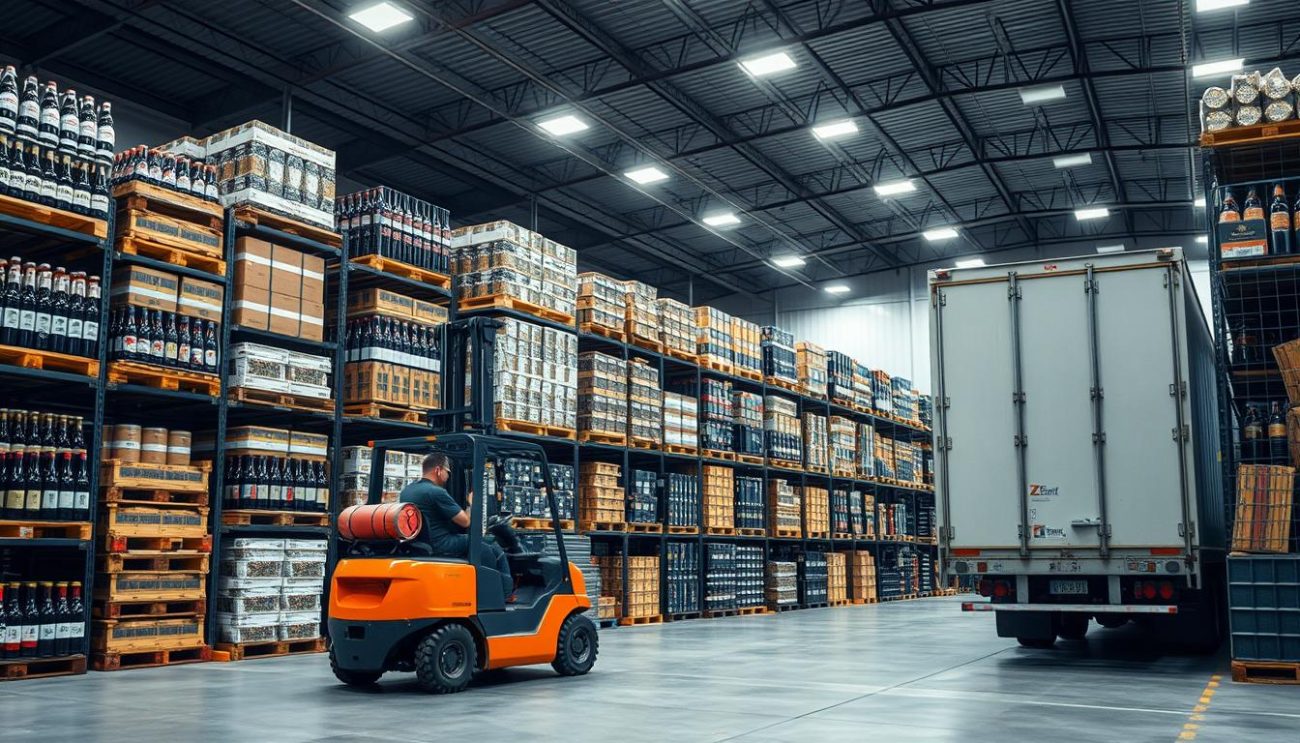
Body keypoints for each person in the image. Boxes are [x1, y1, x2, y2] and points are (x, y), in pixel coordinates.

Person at [399, 452, 514, 601]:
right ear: (438, 470)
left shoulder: (408, 490)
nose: (448, 476)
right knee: (492, 546)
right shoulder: (436, 492)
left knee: (483, 542)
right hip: (442, 543)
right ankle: (503, 595)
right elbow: (466, 522)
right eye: (448, 472)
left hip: (421, 542)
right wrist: (471, 502)